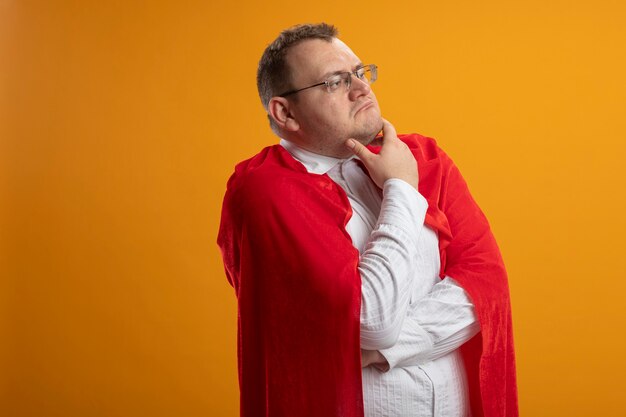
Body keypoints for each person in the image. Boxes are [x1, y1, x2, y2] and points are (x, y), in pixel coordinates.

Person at [217, 23, 518, 417]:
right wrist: (401, 189)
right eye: (334, 82)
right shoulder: (265, 191)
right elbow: (371, 320)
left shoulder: (424, 158)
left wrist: (384, 349)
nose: (361, 89)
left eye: (360, 73)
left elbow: (486, 286)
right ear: (285, 112)